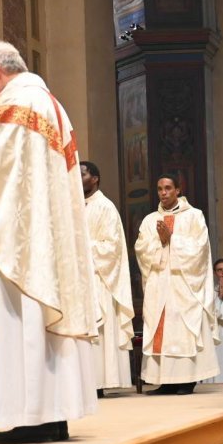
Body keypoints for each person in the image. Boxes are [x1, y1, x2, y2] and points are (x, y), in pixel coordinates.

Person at [0, 40, 100, 444]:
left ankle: (27, 417)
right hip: (46, 236)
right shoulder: (52, 103)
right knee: (42, 323)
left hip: (20, 241)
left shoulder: (15, 106)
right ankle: (54, 416)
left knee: (19, 319)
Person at [135, 173, 220, 395]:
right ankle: (165, 381)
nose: (163, 193)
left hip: (184, 284)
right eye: (160, 189)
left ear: (178, 190)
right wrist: (160, 242)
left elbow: (199, 248)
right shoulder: (149, 220)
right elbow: (141, 250)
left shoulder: (194, 216)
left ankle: (187, 380)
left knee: (181, 329)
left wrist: (173, 239)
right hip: (159, 283)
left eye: (168, 188)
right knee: (161, 330)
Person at [80, 161, 133, 395]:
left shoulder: (105, 207)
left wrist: (81, 247)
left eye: (82, 174)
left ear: (95, 179)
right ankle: (83, 383)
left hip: (99, 278)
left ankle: (100, 382)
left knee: (99, 331)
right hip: (78, 281)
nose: (77, 178)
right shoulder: (72, 206)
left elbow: (112, 247)